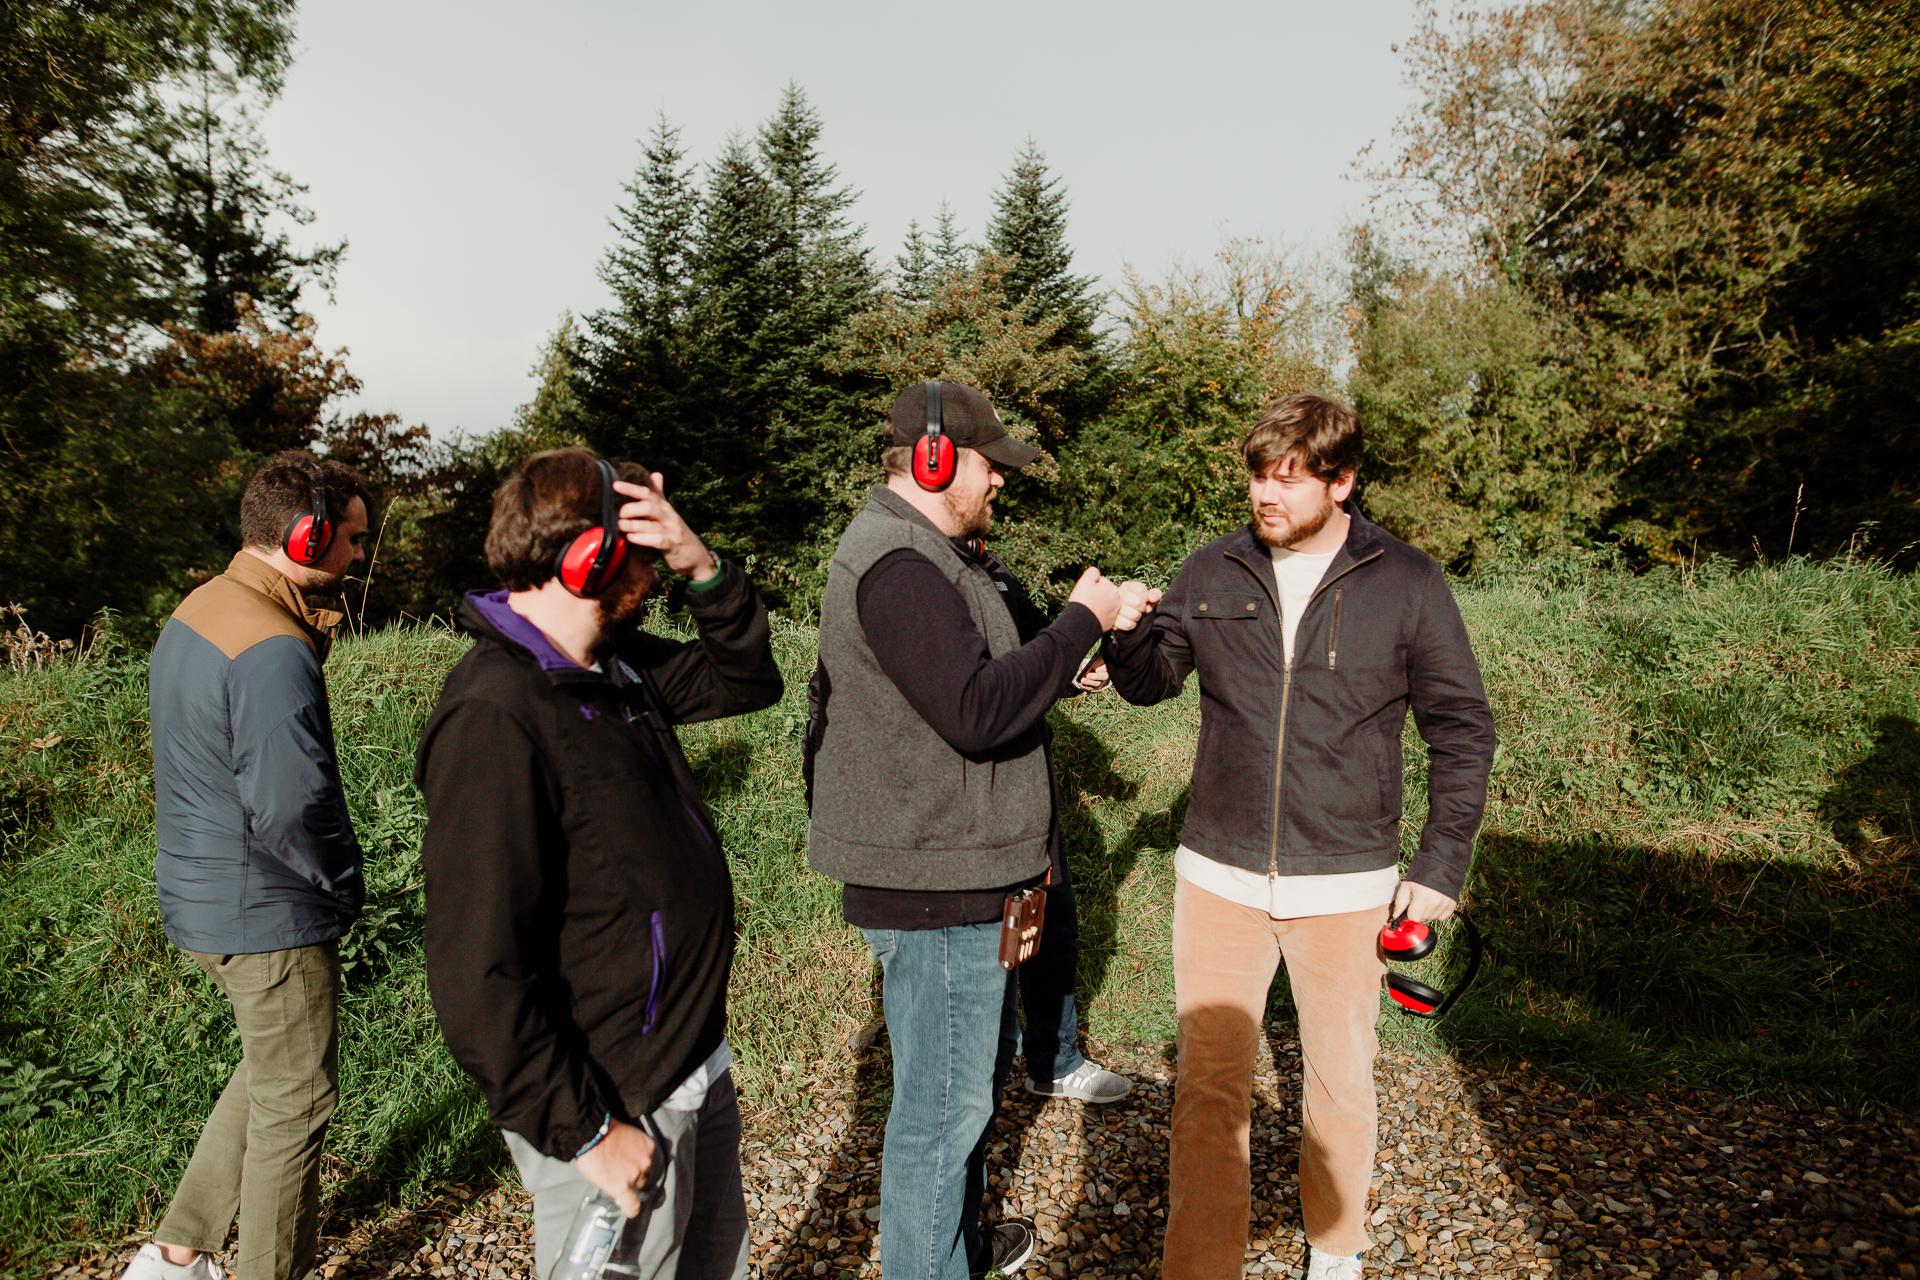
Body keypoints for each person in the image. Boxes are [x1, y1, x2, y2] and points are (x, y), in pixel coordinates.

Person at [1102, 394, 1496, 1280]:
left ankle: (1336, 1255)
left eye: (1287, 479)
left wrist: (1440, 868)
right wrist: (1123, 633)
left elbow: (1463, 729)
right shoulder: (1212, 568)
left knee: (1340, 1084)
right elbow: (1155, 679)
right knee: (1208, 1091)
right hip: (1218, 878)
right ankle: (1201, 1266)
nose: (1264, 496)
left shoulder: (1407, 581)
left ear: (1343, 480)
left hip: (1347, 883)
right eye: (1256, 475)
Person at [414, 449, 782, 1280]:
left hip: (691, 1058)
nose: (653, 580)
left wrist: (704, 568)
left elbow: (747, 678)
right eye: (647, 560)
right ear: (594, 560)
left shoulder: (611, 666)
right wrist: (583, 1129)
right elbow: (477, 972)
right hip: (615, 1092)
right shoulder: (494, 717)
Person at [806, 380, 1125, 1280]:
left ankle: (957, 1249)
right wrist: (1080, 623)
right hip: (936, 888)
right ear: (939, 460)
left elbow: (969, 675)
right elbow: (975, 712)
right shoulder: (900, 567)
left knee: (962, 1101)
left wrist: (1055, 669)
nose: (999, 484)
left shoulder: (933, 555)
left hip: (959, 872)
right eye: (990, 465)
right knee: (940, 1120)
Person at [130, 452, 372, 1280]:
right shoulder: (274, 647)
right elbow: (293, 807)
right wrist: (345, 885)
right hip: (268, 911)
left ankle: (175, 1251)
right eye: (351, 538)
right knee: (299, 1101)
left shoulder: (202, 606)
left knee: (273, 1074)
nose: (359, 556)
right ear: (306, 537)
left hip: (205, 897)